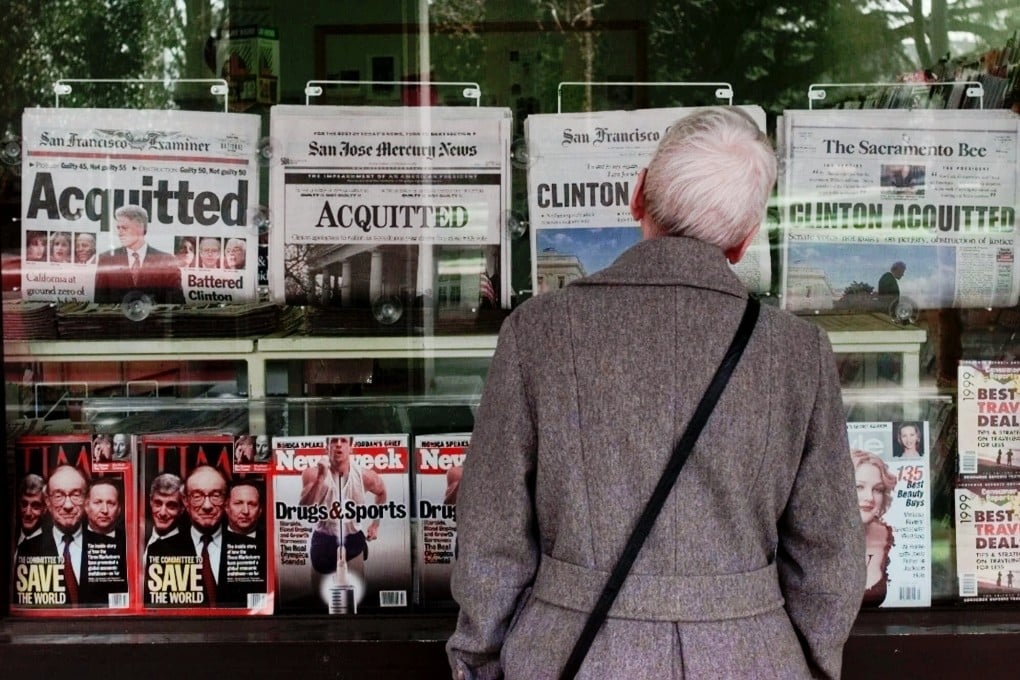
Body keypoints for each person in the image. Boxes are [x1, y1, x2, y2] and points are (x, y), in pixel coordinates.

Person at [447, 107, 864, 680]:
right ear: (743, 242)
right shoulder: (798, 352)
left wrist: (479, 661)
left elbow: (493, 532)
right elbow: (830, 555)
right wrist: (803, 661)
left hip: (573, 653)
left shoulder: (538, 331)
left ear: (636, 194)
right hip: (750, 656)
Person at [300, 436, 387, 599]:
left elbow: (382, 493)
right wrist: (320, 477)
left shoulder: (365, 476)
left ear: (351, 447)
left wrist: (375, 524)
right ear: (327, 448)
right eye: (333, 441)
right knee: (319, 599)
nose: (338, 445)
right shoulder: (312, 474)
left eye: (343, 441)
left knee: (355, 598)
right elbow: (305, 507)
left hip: (352, 539)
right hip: (323, 541)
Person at [146, 465, 229, 605]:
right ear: (185, 501)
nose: (207, 506)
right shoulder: (160, 550)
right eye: (197, 496)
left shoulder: (249, 547)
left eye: (215, 495)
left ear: (226, 500)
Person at [94, 205, 184, 305]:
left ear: (140, 228)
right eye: (118, 228)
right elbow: (99, 305)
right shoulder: (106, 259)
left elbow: (177, 306)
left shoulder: (167, 261)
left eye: (124, 228)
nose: (119, 233)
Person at [853, 449, 897, 608]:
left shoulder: (892, 537)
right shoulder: (817, 540)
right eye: (859, 487)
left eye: (877, 489)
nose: (870, 498)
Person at [144, 472, 185, 553]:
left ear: (182, 508)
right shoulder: (137, 537)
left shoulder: (189, 546)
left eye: (171, 506)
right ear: (150, 502)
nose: (162, 513)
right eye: (158, 503)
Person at [15, 473, 48, 549]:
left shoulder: (52, 545)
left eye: (35, 506)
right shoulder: (11, 539)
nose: (28, 513)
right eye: (24, 504)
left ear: (44, 509)